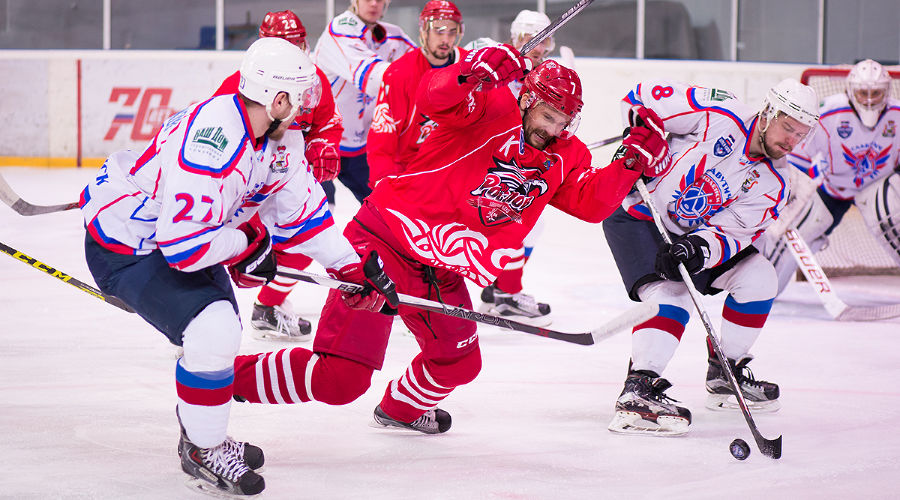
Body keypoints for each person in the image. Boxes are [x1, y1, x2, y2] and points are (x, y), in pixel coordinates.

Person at [227, 51, 665, 435]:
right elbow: (434, 96)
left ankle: (399, 410)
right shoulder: (490, 106)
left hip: (438, 269)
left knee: (459, 362)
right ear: (528, 99)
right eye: (548, 116)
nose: (553, 129)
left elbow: (589, 204)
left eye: (564, 122)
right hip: (384, 244)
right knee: (339, 382)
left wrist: (630, 162)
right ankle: (219, 380)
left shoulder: (565, 154)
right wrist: (473, 70)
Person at [80, 38, 396, 496]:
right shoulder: (216, 137)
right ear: (278, 98)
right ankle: (202, 448)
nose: (311, 104)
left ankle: (201, 431)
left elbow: (304, 212)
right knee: (213, 331)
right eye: (303, 95)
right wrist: (247, 244)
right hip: (127, 245)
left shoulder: (280, 136)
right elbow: (182, 247)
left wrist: (351, 268)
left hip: (193, 236)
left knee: (221, 336)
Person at [602, 78, 819, 436]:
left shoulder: (778, 182)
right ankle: (638, 390)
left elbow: (732, 233)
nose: (792, 141)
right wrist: (640, 137)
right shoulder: (721, 111)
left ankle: (724, 372)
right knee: (673, 294)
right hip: (639, 213)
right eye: (788, 127)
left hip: (688, 237)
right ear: (768, 113)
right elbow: (640, 98)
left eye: (801, 134)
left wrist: (700, 248)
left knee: (759, 277)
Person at [213, 10, 344, 342]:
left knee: (303, 243)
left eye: (298, 46)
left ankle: (267, 308)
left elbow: (327, 123)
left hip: (289, 182)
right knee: (216, 248)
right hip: (243, 189)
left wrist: (322, 145)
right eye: (284, 48)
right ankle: (189, 318)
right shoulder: (236, 88)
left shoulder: (314, 83)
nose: (294, 56)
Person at [761, 59, 900, 291]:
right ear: (849, 90)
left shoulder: (897, 114)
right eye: (862, 92)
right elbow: (797, 159)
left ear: (886, 92)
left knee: (890, 220)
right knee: (793, 234)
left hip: (877, 187)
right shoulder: (828, 112)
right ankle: (764, 288)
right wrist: (791, 196)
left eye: (875, 93)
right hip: (832, 187)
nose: (868, 99)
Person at [464, 10, 560, 323]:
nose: (542, 48)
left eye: (546, 42)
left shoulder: (537, 71)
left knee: (530, 223)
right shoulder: (492, 52)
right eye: (535, 40)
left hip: (502, 158)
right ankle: (504, 291)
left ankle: (500, 285)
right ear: (518, 36)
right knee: (513, 219)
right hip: (471, 154)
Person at [313, 0, 415, 208]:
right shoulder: (341, 28)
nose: (374, 3)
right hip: (322, 140)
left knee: (384, 209)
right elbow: (374, 78)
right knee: (320, 211)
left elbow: (426, 64)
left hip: (360, 145)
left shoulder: (394, 35)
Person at [367, 0, 467, 183]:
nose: (445, 39)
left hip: (457, 169)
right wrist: (384, 181)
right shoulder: (400, 73)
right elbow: (383, 136)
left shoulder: (469, 67)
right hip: (411, 172)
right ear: (424, 31)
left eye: (451, 32)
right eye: (439, 31)